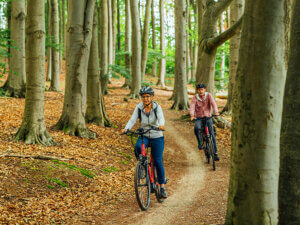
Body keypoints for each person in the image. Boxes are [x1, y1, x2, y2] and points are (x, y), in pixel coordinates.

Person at [121, 87, 167, 198]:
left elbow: (161, 118)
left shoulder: (157, 107)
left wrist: (161, 125)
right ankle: (142, 167)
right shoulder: (139, 107)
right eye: (143, 97)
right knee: (137, 147)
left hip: (156, 135)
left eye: (147, 96)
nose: (145, 99)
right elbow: (132, 119)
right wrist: (126, 128)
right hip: (144, 135)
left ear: (151, 97)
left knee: (157, 161)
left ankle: (162, 186)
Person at [190, 83, 220, 161]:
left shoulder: (209, 95)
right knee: (197, 128)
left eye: (202, 89)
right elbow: (192, 106)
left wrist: (216, 111)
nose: (201, 91)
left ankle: (215, 153)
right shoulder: (195, 98)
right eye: (199, 90)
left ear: (205, 89)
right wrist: (192, 115)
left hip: (208, 117)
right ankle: (200, 143)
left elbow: (213, 103)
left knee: (212, 134)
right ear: (197, 90)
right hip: (199, 118)